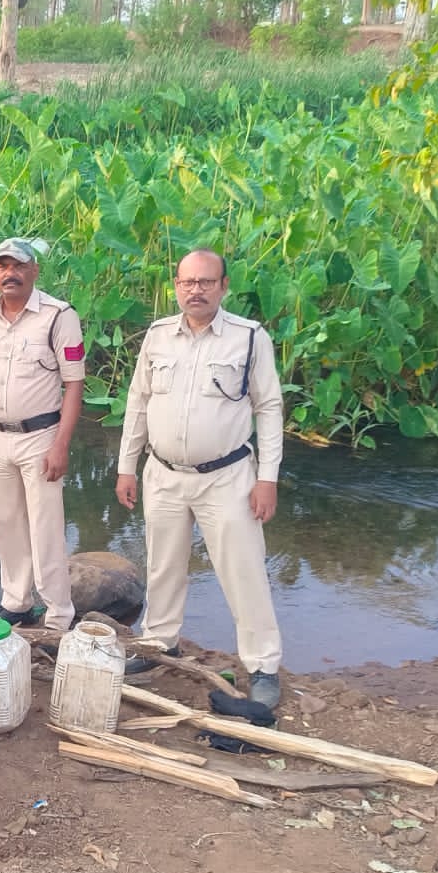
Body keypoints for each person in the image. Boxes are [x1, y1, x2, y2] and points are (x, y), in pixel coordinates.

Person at [114, 249, 285, 710]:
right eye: (188, 282)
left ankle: (263, 666)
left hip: (227, 476)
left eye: (206, 282)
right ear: (175, 285)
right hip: (164, 473)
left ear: (224, 286)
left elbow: (268, 409)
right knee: (163, 567)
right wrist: (126, 466)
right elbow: (138, 402)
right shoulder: (157, 337)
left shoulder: (250, 338)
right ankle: (158, 646)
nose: (196, 290)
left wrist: (266, 478)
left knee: (243, 571)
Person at [0, 237, 87, 632]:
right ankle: (16, 602)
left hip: (41, 438)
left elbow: (74, 386)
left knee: (45, 527)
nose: (9, 273)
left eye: (18, 266)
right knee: (5, 522)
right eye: (1, 266)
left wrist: (61, 445)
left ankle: (59, 614)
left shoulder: (58, 316)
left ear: (34, 271)